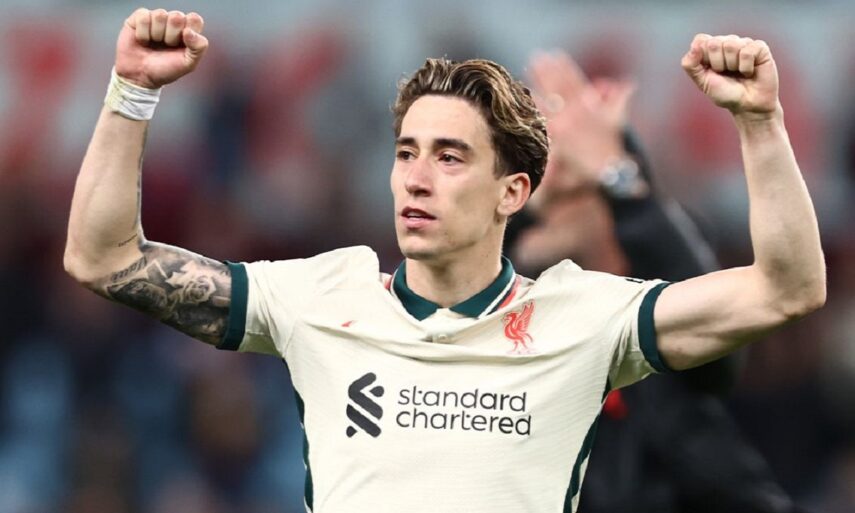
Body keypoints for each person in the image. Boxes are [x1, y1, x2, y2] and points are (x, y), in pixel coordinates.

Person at [64, 8, 826, 513]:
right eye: (405, 153)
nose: (416, 178)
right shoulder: (320, 296)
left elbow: (785, 289)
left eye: (450, 156)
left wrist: (759, 122)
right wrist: (132, 91)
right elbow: (104, 258)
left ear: (511, 191)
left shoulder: (584, 316)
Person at [508, 50, 808, 513]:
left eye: (565, 178)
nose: (537, 196)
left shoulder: (660, 381)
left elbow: (724, 336)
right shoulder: (503, 335)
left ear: (613, 211)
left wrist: (614, 170)